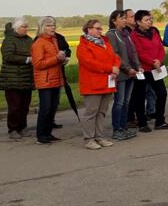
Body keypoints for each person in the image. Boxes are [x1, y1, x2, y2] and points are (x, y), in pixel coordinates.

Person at [76, 18, 118, 149]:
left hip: (107, 81)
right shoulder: (83, 46)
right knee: (91, 112)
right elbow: (90, 63)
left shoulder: (105, 42)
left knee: (102, 112)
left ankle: (99, 136)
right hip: (92, 83)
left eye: (101, 28)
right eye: (97, 28)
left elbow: (115, 56)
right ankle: (89, 138)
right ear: (89, 29)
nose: (100, 31)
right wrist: (110, 68)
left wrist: (116, 67)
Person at [130, 10, 168, 131]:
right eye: (146, 20)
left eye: (150, 19)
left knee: (162, 93)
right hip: (143, 70)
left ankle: (160, 121)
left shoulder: (154, 31)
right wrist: (152, 62)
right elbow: (138, 52)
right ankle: (142, 123)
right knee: (140, 96)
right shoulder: (134, 35)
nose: (150, 22)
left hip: (156, 69)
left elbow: (160, 47)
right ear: (138, 22)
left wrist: (159, 60)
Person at [31, 17, 66, 144]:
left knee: (52, 108)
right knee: (45, 109)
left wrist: (62, 59)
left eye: (54, 25)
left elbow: (55, 58)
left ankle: (48, 133)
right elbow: (38, 64)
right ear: (42, 27)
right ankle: (41, 135)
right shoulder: (38, 43)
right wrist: (56, 59)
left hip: (55, 78)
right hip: (45, 80)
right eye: (50, 25)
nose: (53, 28)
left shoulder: (54, 40)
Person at [0, 19, 34, 139]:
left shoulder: (29, 40)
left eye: (26, 27)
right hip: (12, 78)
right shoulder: (9, 40)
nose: (26, 29)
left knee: (25, 106)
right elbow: (8, 56)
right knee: (14, 106)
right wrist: (27, 59)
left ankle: (23, 127)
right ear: (16, 28)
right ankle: (13, 129)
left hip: (27, 78)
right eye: (23, 27)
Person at [106, 10, 139, 140]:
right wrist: (127, 68)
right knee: (119, 102)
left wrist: (138, 66)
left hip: (131, 72)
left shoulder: (126, 34)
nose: (125, 20)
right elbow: (115, 55)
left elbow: (133, 52)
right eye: (122, 18)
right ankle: (117, 129)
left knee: (126, 102)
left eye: (125, 18)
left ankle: (124, 127)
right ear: (114, 20)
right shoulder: (111, 35)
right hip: (121, 74)